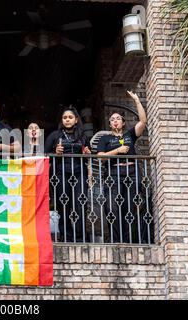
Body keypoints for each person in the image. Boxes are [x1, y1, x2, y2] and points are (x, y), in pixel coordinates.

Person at [96, 90, 147, 244]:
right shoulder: (105, 138)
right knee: (112, 207)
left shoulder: (129, 135)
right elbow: (100, 157)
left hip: (132, 172)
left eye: (118, 118)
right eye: (112, 119)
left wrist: (137, 101)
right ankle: (116, 240)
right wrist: (117, 150)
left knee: (129, 207)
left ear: (123, 123)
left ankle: (129, 240)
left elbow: (143, 122)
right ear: (110, 124)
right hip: (114, 172)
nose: (115, 121)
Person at [45, 106, 91, 242]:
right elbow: (45, 155)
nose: (67, 120)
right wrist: (56, 153)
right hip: (61, 173)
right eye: (65, 118)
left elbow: (89, 155)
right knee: (63, 204)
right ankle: (67, 235)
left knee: (80, 204)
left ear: (76, 120)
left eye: (70, 117)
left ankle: (81, 236)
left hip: (79, 173)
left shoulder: (83, 136)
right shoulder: (55, 135)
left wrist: (87, 154)